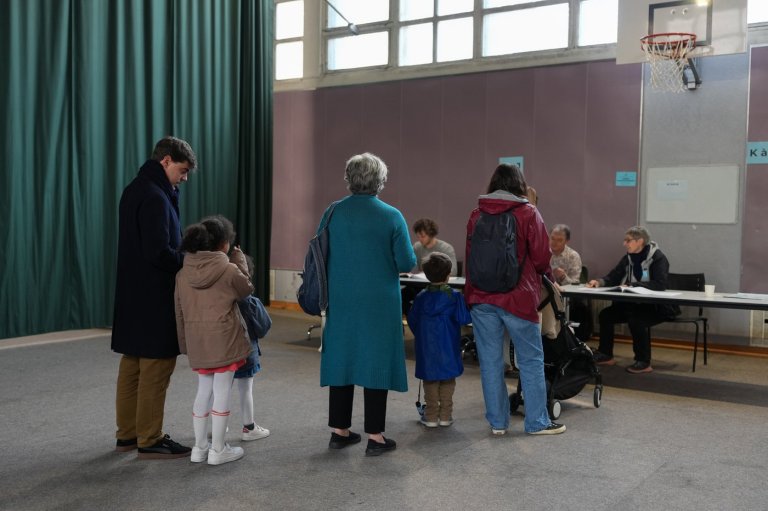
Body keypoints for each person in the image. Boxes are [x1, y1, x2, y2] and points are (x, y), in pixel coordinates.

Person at [319, 152, 417, 457]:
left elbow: (321, 252)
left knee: (343, 360)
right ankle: (375, 436)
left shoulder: (332, 212)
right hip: (379, 301)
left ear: (349, 178)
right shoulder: (391, 215)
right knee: (376, 362)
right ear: (380, 181)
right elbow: (406, 261)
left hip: (342, 299)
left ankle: (340, 431)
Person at [464, 163, 566, 436]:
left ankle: (497, 423)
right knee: (530, 360)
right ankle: (536, 422)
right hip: (518, 298)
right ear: (519, 185)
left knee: (490, 362)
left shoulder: (476, 214)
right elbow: (543, 258)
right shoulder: (528, 213)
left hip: (482, 298)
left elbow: (471, 257)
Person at [112, 136, 197, 459]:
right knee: (156, 368)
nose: (184, 178)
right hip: (154, 296)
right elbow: (159, 252)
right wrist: (188, 260)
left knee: (131, 366)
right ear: (166, 161)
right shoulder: (156, 197)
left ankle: (127, 434)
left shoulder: (135, 189)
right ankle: (150, 437)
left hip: (132, 293)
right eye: (183, 170)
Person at [175, 216, 254, 465]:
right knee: (221, 391)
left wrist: (185, 344)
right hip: (224, 339)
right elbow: (246, 290)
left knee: (203, 391)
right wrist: (241, 263)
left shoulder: (182, 273)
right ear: (223, 244)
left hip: (197, 339)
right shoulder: (229, 269)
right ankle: (218, 450)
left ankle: (200, 448)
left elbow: (179, 311)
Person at [586, 226, 679, 374]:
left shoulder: (658, 258)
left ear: (640, 241)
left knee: (637, 321)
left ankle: (643, 361)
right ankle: (605, 354)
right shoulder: (628, 258)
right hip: (634, 304)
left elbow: (660, 284)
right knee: (606, 315)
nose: (624, 243)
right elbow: (614, 276)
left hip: (657, 307)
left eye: (628, 240)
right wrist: (599, 282)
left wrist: (633, 285)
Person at [407, 252, 472, 428]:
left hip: (426, 347)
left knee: (430, 379)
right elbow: (464, 318)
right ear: (448, 274)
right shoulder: (454, 296)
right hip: (448, 346)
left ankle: (430, 416)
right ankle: (445, 416)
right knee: (448, 379)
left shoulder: (421, 297)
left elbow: (412, 321)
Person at [233, 254, 272, 442]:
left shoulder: (218, 297)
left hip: (221, 351)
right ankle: (249, 427)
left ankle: (216, 426)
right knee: (245, 388)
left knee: (217, 389)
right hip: (246, 351)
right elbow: (264, 326)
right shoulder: (248, 300)